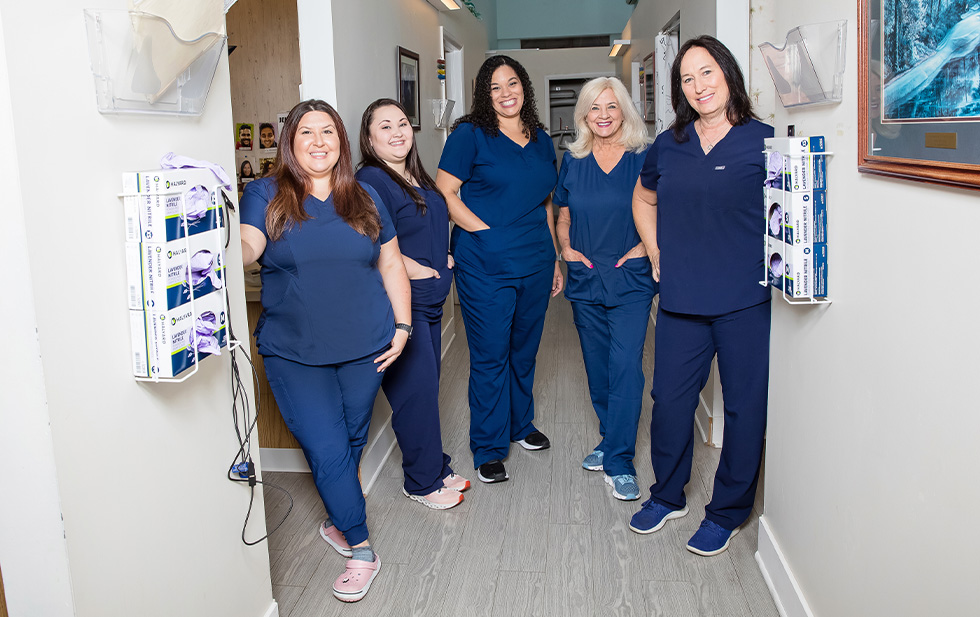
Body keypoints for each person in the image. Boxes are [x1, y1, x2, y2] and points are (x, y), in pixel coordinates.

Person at [239, 99, 411, 602]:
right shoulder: (265, 194)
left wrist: (401, 327)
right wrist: (216, 244)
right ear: (290, 141)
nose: (318, 142)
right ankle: (361, 548)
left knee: (351, 438)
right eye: (306, 132)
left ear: (342, 142)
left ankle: (340, 520)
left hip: (368, 345)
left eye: (328, 132)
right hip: (295, 352)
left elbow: (393, 265)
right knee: (328, 447)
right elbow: (248, 246)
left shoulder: (364, 195)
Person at [630, 35, 774, 557]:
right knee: (668, 403)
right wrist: (654, 249)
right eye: (687, 78)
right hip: (681, 300)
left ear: (728, 74)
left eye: (707, 72)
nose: (698, 86)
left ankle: (727, 512)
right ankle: (667, 495)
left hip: (744, 301)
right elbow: (643, 197)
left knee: (744, 409)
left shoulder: (765, 140)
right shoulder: (669, 145)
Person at [435, 55, 563, 484]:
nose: (506, 93)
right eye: (495, 87)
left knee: (524, 352)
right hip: (485, 262)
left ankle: (520, 425)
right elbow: (445, 193)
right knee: (491, 355)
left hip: (536, 261)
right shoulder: (470, 135)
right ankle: (489, 446)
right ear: (482, 95)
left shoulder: (542, 139)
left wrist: (556, 257)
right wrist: (485, 232)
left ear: (524, 87)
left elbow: (546, 200)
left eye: (512, 84)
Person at [356, 98, 470, 509]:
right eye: (384, 126)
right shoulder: (370, 180)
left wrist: (444, 257)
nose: (397, 132)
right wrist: (418, 270)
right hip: (401, 305)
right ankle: (421, 482)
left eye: (402, 123)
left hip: (431, 302)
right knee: (414, 392)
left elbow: (430, 220)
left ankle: (435, 466)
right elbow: (372, 241)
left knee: (424, 389)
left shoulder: (413, 175)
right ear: (369, 139)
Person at [553, 76, 655, 502]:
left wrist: (641, 249)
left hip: (630, 277)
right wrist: (565, 249)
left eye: (612, 107)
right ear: (584, 115)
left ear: (624, 110)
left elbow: (660, 208)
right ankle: (609, 437)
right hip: (585, 275)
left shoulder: (643, 157)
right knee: (597, 368)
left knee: (625, 365)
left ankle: (619, 460)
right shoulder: (574, 159)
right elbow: (562, 212)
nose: (603, 116)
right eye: (595, 108)